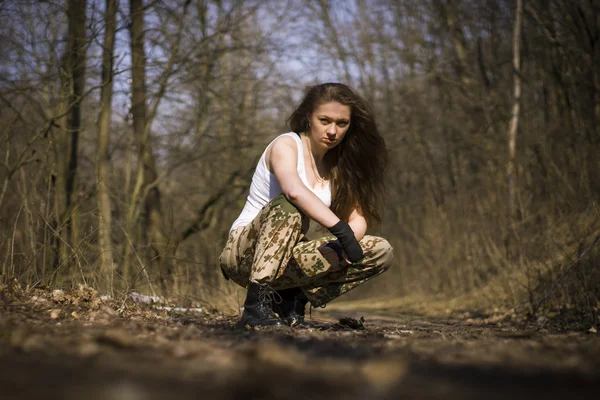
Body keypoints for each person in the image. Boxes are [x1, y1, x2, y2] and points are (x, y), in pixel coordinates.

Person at [219, 83, 394, 328]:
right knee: (291, 208)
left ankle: (294, 299)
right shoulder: (286, 145)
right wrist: (341, 232)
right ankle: (256, 306)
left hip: (288, 259)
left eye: (341, 123)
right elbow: (294, 191)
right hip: (243, 255)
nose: (332, 130)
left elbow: (358, 217)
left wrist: (347, 243)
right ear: (308, 117)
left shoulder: (339, 167)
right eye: (324, 120)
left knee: (380, 250)